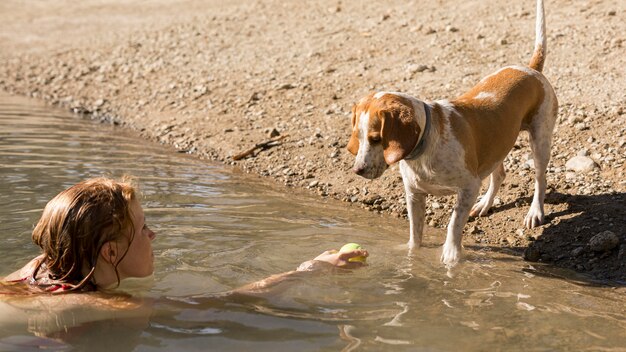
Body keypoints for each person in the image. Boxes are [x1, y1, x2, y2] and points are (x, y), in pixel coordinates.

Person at [2, 176, 369, 296]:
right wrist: (311, 269)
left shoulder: (39, 268)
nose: (153, 234)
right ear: (110, 253)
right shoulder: (97, 304)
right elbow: (225, 302)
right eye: (143, 228)